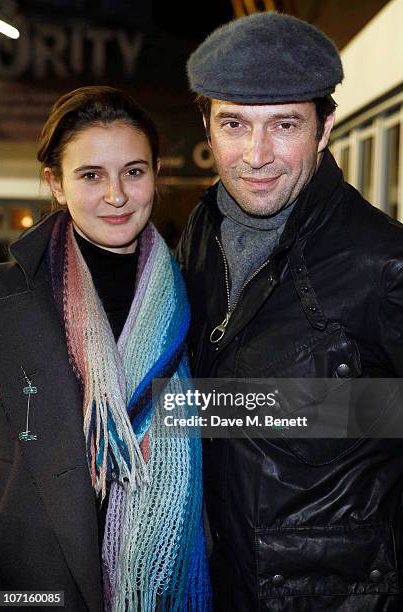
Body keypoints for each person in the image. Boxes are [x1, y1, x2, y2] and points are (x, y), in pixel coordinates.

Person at [177, 12, 403, 612]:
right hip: (210, 579)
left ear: (325, 128)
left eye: (284, 124)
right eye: (233, 124)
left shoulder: (383, 263)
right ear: (206, 125)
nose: (256, 155)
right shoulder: (200, 234)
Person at [0, 86, 211, 611]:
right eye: (91, 175)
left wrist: (369, 412)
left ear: (156, 173)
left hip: (170, 582)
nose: (116, 194)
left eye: (134, 172)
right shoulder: (4, 302)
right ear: (56, 182)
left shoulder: (200, 298)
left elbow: (242, 416)